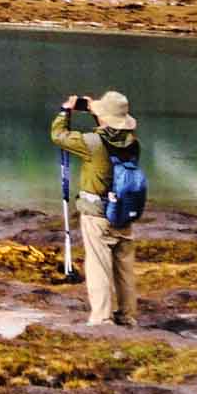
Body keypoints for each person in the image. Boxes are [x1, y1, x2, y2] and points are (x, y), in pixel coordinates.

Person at [47, 89, 143, 326]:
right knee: (124, 268)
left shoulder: (92, 143)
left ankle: (102, 318)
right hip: (124, 212)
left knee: (98, 266)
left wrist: (64, 111)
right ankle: (128, 316)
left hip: (97, 214)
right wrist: (96, 113)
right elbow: (111, 135)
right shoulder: (133, 144)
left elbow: (59, 136)